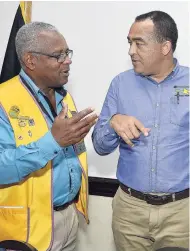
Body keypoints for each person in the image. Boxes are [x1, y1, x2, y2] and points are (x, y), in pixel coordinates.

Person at [92, 10, 189, 251]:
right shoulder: (120, 84)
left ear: (165, 47)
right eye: (129, 43)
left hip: (182, 213)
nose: (131, 51)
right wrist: (113, 122)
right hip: (129, 212)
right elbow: (100, 146)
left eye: (139, 43)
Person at [0, 22, 98, 251]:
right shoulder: (3, 101)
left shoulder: (65, 99)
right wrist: (53, 142)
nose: (68, 60)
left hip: (69, 218)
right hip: (26, 231)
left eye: (67, 53)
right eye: (58, 55)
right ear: (31, 60)